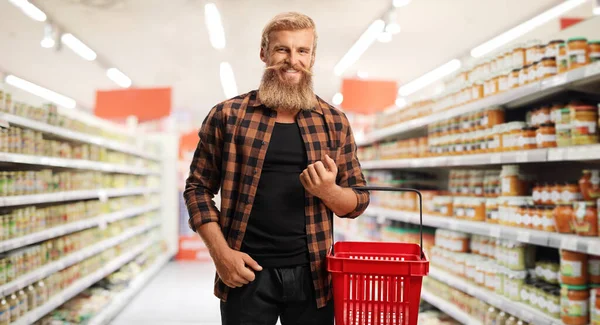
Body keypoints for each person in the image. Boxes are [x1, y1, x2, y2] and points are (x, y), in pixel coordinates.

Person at [183, 11, 370, 325]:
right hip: (245, 274)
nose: (292, 59)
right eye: (282, 49)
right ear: (264, 53)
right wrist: (221, 254)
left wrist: (329, 192)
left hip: (315, 277)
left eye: (302, 51)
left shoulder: (333, 121)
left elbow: (357, 201)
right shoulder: (228, 116)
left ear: (311, 58)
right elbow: (197, 190)